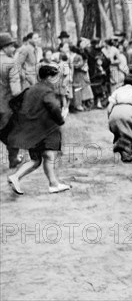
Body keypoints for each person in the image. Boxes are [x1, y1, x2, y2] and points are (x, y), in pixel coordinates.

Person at [6, 65, 71, 195]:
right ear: (48, 78)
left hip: (31, 130)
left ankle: (51, 183)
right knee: (47, 156)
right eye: (55, 77)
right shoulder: (46, 91)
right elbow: (53, 107)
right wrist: (61, 117)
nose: (57, 80)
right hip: (44, 130)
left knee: (37, 159)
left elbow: (14, 103)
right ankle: (52, 184)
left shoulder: (30, 89)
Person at [107, 74, 132, 163]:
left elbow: (109, 108)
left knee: (120, 132)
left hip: (114, 113)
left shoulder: (117, 91)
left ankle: (124, 151)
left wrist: (110, 120)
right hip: (127, 111)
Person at [0, 33, 23, 169]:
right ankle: (13, 158)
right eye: (11, 46)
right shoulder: (11, 63)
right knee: (14, 131)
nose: (13, 49)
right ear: (4, 47)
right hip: (6, 106)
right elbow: (15, 91)